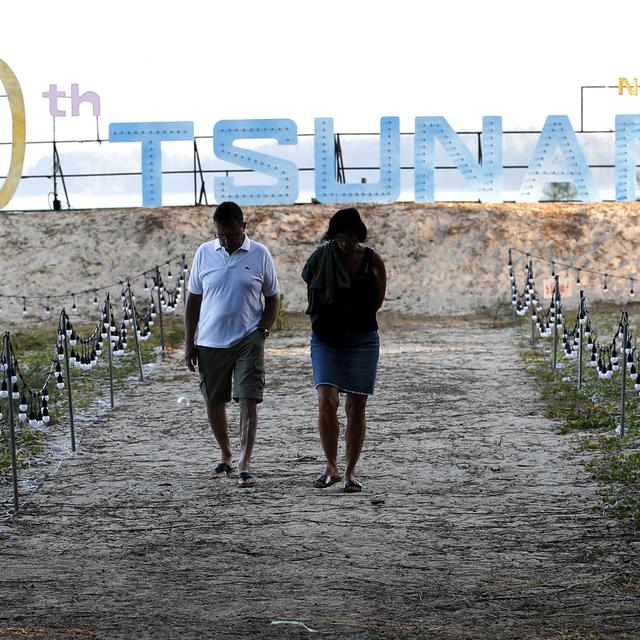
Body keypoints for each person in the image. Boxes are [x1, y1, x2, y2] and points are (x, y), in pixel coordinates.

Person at [185, 201, 280, 488]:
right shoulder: (204, 253)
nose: (226, 241)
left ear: (244, 227)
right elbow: (193, 300)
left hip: (248, 338)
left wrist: (262, 331)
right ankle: (225, 452)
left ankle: (244, 461)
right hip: (211, 341)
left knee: (248, 398)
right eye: (221, 236)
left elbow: (273, 297)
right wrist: (189, 341)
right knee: (214, 402)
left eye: (232, 235)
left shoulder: (260, 254)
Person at [301, 208, 386, 493]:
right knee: (327, 398)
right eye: (339, 238)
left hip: (363, 339)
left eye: (349, 238)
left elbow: (378, 301)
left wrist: (352, 319)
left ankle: (350, 471)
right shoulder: (322, 257)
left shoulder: (373, 261)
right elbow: (308, 281)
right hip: (326, 338)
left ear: (358, 235)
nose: (344, 244)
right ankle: (330, 466)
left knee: (357, 406)